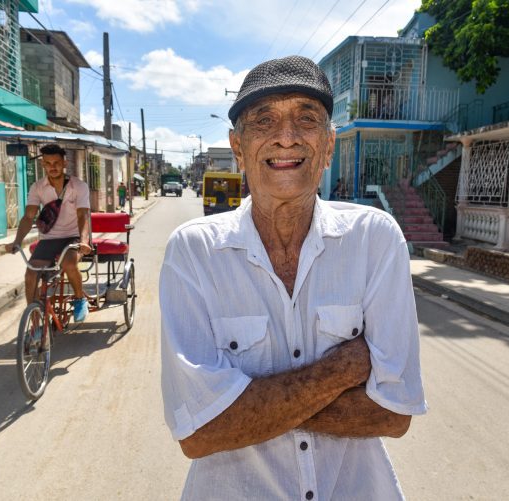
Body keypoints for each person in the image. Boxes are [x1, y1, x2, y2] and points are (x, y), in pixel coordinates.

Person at [160, 56, 426, 500]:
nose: (286, 137)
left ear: (328, 146)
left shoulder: (375, 240)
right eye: (264, 120)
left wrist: (242, 409)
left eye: (306, 118)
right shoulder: (194, 252)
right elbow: (200, 434)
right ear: (239, 148)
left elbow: (393, 416)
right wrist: (342, 370)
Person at [5, 144, 92, 322]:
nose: (52, 167)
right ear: (43, 165)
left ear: (65, 163)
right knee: (30, 274)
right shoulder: (38, 187)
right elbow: (29, 216)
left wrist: (84, 241)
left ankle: (79, 299)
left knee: (69, 264)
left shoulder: (79, 186)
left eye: (57, 163)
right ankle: (35, 322)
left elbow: (83, 215)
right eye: (48, 163)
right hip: (49, 238)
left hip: (73, 236)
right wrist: (17, 241)